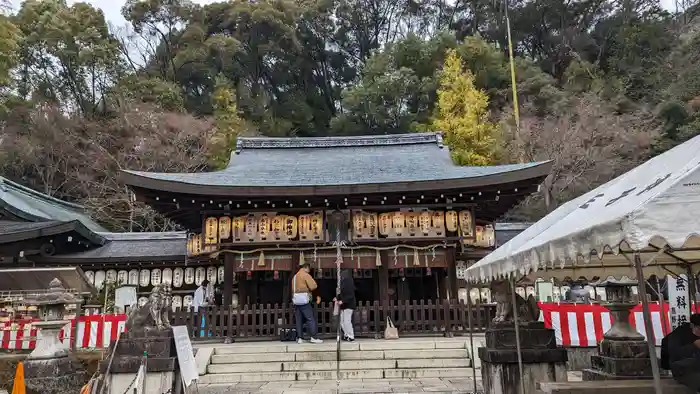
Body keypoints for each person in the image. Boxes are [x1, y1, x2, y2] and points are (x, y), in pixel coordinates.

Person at [661, 313, 700, 391]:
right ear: (692, 325)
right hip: (683, 370)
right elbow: (675, 354)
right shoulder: (677, 335)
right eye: (699, 329)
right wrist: (694, 346)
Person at [292, 263, 323, 344]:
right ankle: (313, 337)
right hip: (304, 300)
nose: (309, 271)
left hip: (296, 300)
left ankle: (300, 338)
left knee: (299, 320)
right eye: (309, 269)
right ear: (306, 268)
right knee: (310, 319)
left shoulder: (294, 277)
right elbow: (313, 286)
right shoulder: (305, 275)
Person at [336, 269, 356, 342]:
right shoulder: (343, 283)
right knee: (342, 322)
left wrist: (342, 301)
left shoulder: (348, 283)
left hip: (349, 305)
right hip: (344, 305)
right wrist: (337, 298)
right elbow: (342, 294)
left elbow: (350, 295)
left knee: (347, 321)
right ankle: (346, 334)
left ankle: (351, 336)